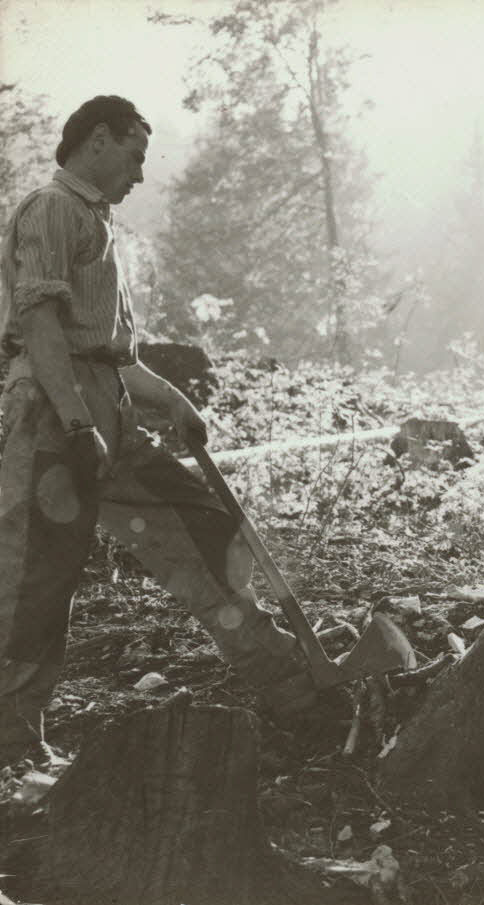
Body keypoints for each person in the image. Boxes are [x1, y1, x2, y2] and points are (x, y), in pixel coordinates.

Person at [0, 96, 320, 763]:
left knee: (203, 525)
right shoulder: (50, 208)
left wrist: (173, 402)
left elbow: (115, 356)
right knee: (38, 580)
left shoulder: (97, 220)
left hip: (107, 409)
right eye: (135, 155)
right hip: (54, 415)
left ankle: (294, 684)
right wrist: (76, 423)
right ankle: (11, 745)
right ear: (97, 139)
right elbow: (41, 327)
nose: (141, 174)